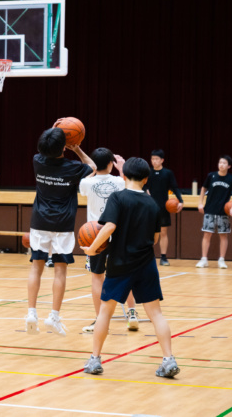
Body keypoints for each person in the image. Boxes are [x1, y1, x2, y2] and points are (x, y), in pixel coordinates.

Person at [80, 157, 180, 378]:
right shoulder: (152, 203)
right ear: (146, 179)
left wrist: (92, 248)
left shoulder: (118, 197)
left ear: (124, 175)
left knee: (105, 311)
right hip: (146, 264)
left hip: (120, 263)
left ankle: (95, 360)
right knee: (156, 314)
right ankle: (168, 359)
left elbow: (109, 227)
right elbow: (155, 238)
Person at [26, 124, 95, 336]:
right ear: (63, 147)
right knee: (59, 270)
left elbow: (45, 147)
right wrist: (77, 149)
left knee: (36, 267)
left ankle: (31, 313)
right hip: (62, 224)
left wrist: (55, 130)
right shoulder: (73, 168)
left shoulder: (37, 161)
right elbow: (92, 166)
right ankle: (53, 317)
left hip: (39, 222)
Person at [79, 148, 140, 333]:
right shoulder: (119, 181)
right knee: (125, 275)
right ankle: (132, 313)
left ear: (95, 165)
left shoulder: (86, 182)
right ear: (110, 164)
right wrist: (121, 169)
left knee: (97, 277)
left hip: (96, 235)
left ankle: (100, 320)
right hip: (119, 232)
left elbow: (87, 175)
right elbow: (132, 185)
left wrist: (86, 161)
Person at [196, 156, 232, 269]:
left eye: (224, 163)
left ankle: (221, 260)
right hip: (209, 209)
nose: (221, 164)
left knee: (223, 236)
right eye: (220, 162)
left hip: (223, 211)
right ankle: (204, 259)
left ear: (229, 166)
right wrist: (200, 203)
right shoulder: (211, 175)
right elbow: (203, 188)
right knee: (206, 234)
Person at [145, 150, 184, 266]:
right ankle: (147, 256)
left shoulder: (168, 173)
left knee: (163, 232)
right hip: (150, 207)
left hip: (163, 207)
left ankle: (163, 257)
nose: (154, 161)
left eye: (156, 159)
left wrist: (181, 201)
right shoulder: (148, 173)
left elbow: (175, 187)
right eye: (152, 159)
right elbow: (143, 186)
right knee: (148, 233)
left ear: (162, 160)